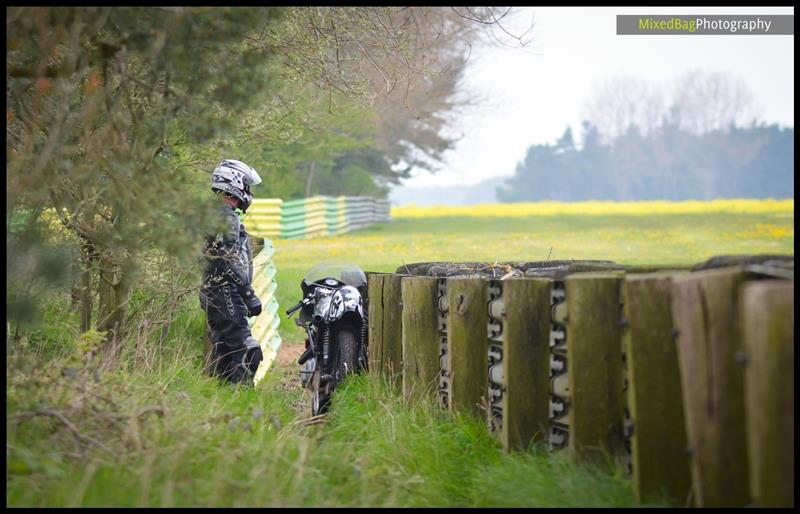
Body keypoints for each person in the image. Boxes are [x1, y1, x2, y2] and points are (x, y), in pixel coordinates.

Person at [199, 159, 264, 385]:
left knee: (225, 351)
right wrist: (248, 292)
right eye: (247, 185)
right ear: (234, 183)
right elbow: (227, 257)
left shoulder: (212, 213)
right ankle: (241, 398)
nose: (249, 191)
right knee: (247, 350)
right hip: (225, 290)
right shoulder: (225, 216)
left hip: (211, 290)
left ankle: (225, 401)